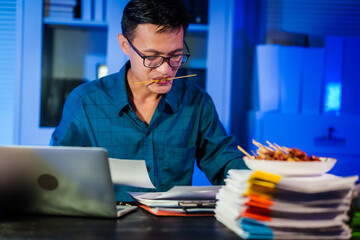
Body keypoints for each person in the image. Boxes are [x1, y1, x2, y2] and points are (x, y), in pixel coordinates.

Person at [51, 0, 247, 201]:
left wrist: (259, 180)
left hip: (174, 229)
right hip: (105, 228)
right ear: (125, 45)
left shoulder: (196, 103)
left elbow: (226, 164)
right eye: (152, 57)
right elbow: (55, 177)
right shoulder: (84, 103)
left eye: (176, 56)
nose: (165, 70)